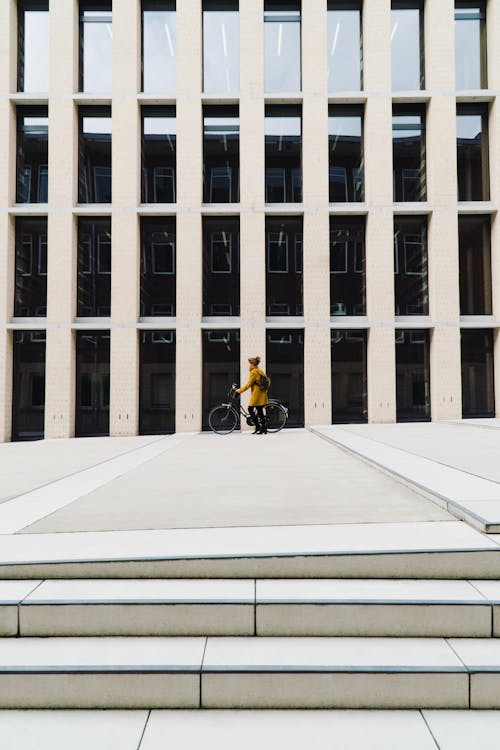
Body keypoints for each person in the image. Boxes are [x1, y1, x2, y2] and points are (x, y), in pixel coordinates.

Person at [236, 356, 270, 434]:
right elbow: (267, 381)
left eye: (250, 364)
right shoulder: (260, 371)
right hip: (262, 393)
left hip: (257, 394)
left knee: (250, 409)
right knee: (260, 411)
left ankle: (258, 427)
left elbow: (248, 384)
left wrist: (239, 391)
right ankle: (263, 428)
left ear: (252, 364)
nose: (249, 365)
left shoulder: (254, 372)